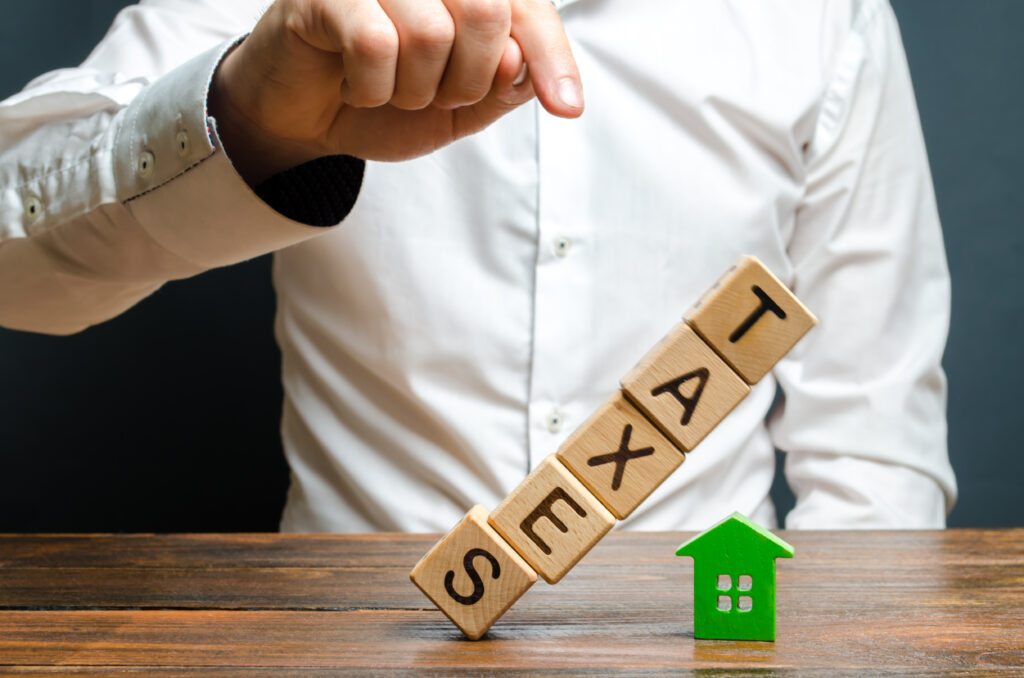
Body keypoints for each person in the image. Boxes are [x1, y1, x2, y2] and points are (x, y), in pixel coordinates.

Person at [0, 0, 956, 532]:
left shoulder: (825, 18)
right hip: (348, 642)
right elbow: (19, 279)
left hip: (704, 635)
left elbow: (879, 456)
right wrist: (246, 117)